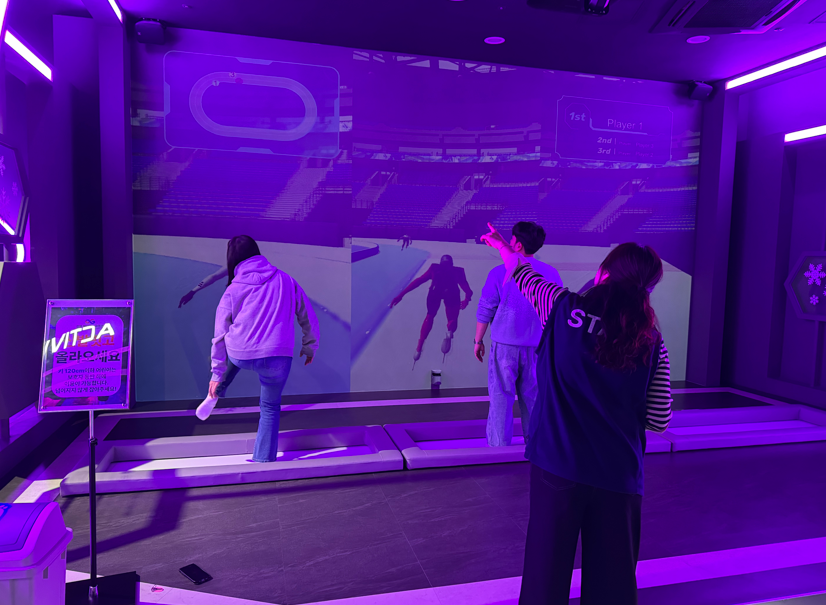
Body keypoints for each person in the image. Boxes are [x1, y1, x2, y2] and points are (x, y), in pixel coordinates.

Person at [480, 224, 672, 605]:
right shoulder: (651, 339)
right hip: (618, 477)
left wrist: (504, 248)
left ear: (603, 274)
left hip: (557, 467)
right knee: (612, 590)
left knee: (544, 582)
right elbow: (659, 418)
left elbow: (522, 274)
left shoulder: (561, 306)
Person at [200, 235, 319, 463]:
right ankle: (263, 460)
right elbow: (308, 316)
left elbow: (219, 335)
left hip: (241, 355)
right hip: (277, 357)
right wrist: (309, 346)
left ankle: (218, 388)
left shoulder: (233, 288)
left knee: (233, 345)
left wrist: (216, 373)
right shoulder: (286, 280)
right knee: (270, 408)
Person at [475, 222, 562, 447]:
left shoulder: (499, 272)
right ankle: (535, 447)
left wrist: (478, 340)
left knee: (500, 398)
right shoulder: (551, 273)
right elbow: (556, 312)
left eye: (512, 239)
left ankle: (499, 448)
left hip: (504, 346)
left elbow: (485, 308)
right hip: (537, 348)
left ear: (518, 244)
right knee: (533, 400)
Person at [390, 254, 473, 361]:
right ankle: (450, 331)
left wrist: (401, 295)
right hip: (451, 293)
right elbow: (468, 291)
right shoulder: (458, 272)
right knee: (452, 319)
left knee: (429, 316)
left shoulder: (434, 269)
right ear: (452, 264)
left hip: (435, 291)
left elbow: (419, 281)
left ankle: (420, 345)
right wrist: (466, 300)